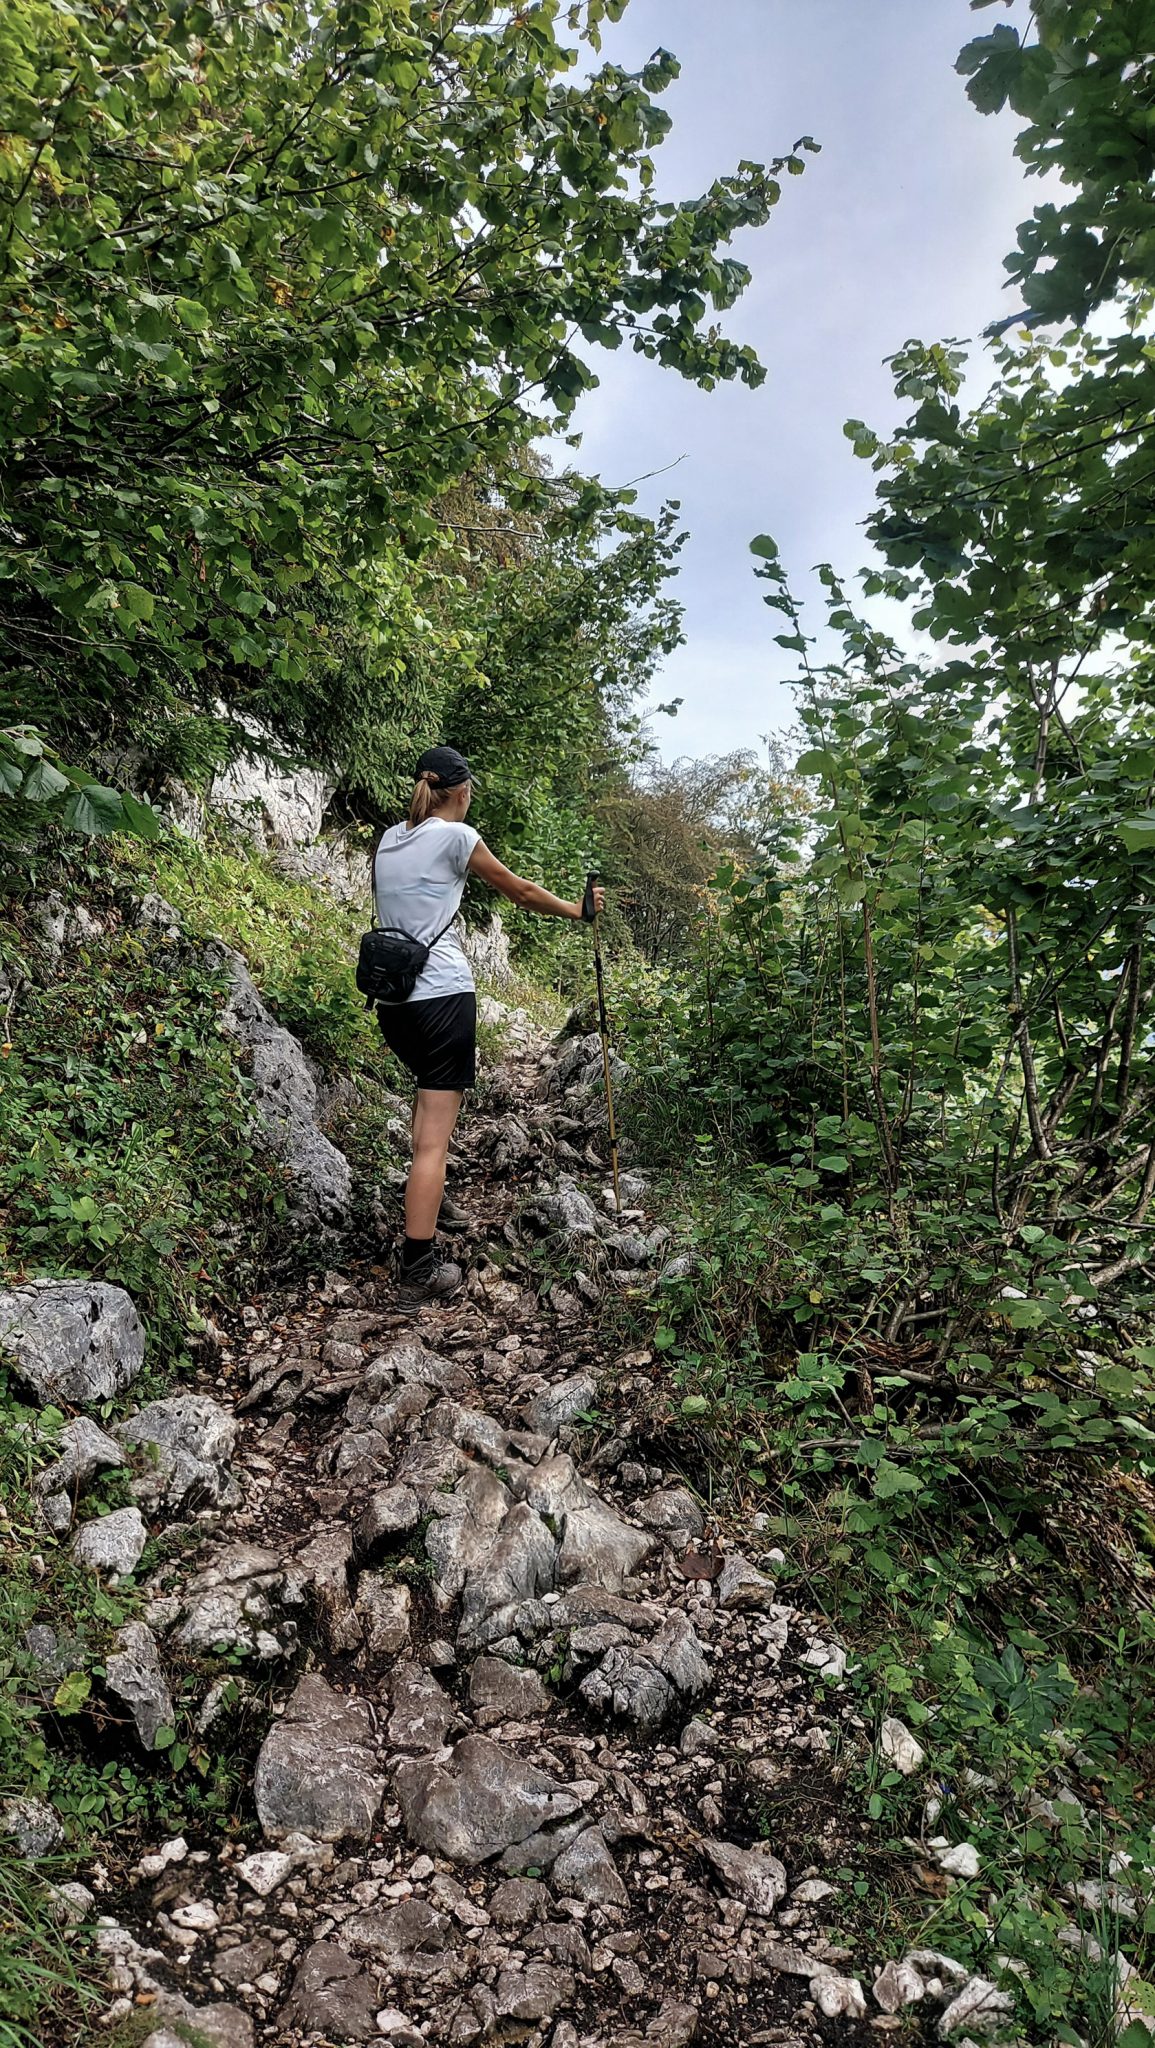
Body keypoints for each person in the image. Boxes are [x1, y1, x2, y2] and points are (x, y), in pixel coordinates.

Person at [373, 744, 604, 1305]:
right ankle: (418, 1270)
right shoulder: (457, 836)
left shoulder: (388, 838)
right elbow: (519, 891)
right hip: (443, 998)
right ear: (463, 790)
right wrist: (579, 911)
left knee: (427, 1114)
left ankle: (430, 1200)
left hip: (393, 1003)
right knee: (433, 1140)